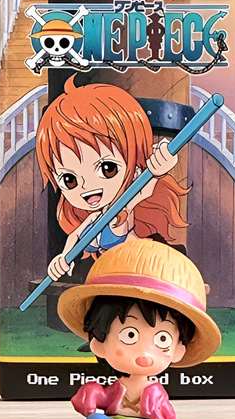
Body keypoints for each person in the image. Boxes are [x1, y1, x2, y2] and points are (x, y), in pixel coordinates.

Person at [57, 238, 221, 419]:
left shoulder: (155, 392)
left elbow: (167, 416)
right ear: (99, 343)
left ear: (178, 350)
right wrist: (93, 393)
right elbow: (105, 398)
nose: (145, 354)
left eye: (162, 339)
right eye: (129, 335)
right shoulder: (118, 387)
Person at [35, 77, 188, 279]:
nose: (87, 186)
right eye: (69, 180)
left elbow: (144, 190)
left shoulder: (122, 207)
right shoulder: (93, 218)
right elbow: (75, 236)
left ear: (135, 169)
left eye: (108, 168)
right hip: (109, 272)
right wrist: (63, 259)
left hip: (140, 264)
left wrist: (157, 170)